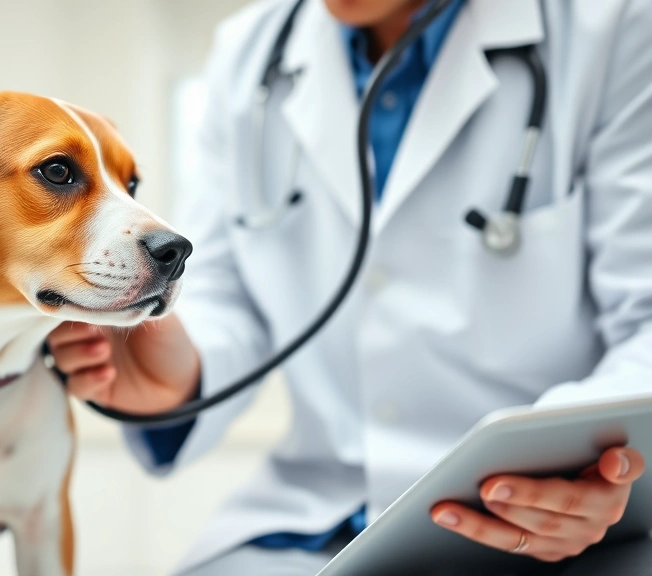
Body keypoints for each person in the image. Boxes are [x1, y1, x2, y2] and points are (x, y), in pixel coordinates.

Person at [47, 0, 652, 573]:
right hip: (318, 518)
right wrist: (180, 375)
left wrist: (573, 464)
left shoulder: (612, 27)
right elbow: (227, 295)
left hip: (562, 529)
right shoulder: (250, 54)